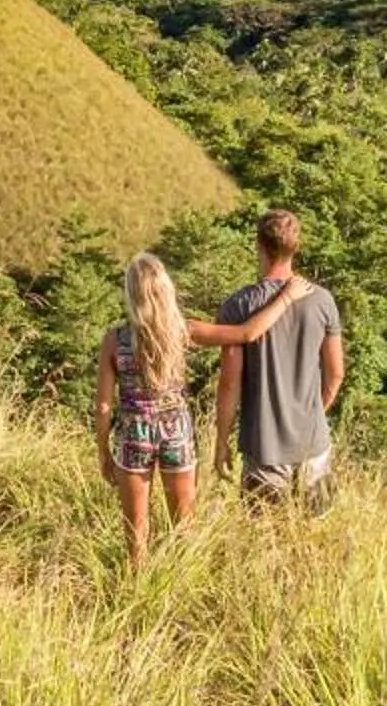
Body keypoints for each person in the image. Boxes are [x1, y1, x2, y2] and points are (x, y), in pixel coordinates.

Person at [96, 252, 310, 565]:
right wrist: (287, 297)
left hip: (133, 434)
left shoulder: (114, 341)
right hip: (176, 432)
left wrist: (103, 452)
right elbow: (247, 333)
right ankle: (179, 584)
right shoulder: (183, 331)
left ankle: (137, 586)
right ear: (165, 290)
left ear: (131, 293)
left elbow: (104, 404)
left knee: (136, 534)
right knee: (183, 529)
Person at [214, 208, 344, 508]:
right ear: (296, 247)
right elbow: (336, 373)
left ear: (258, 245)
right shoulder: (322, 300)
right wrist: (314, 413)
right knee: (316, 529)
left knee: (265, 532)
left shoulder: (238, 306)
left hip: (264, 448)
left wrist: (222, 441)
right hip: (314, 445)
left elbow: (230, 383)